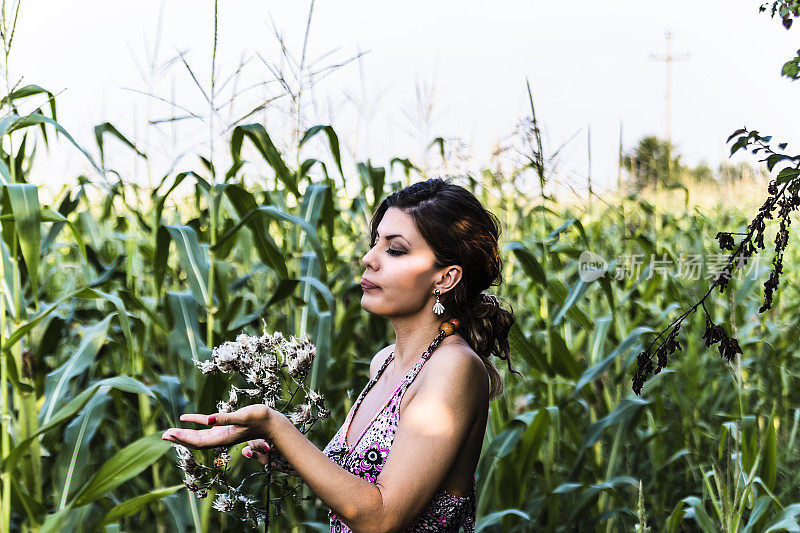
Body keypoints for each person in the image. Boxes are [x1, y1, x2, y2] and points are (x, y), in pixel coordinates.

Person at [162, 178, 519, 532]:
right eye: (374, 242)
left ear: (445, 277)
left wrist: (275, 424)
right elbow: (368, 480)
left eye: (394, 249)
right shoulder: (385, 362)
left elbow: (381, 518)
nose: (368, 258)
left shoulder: (453, 367)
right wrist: (290, 454)